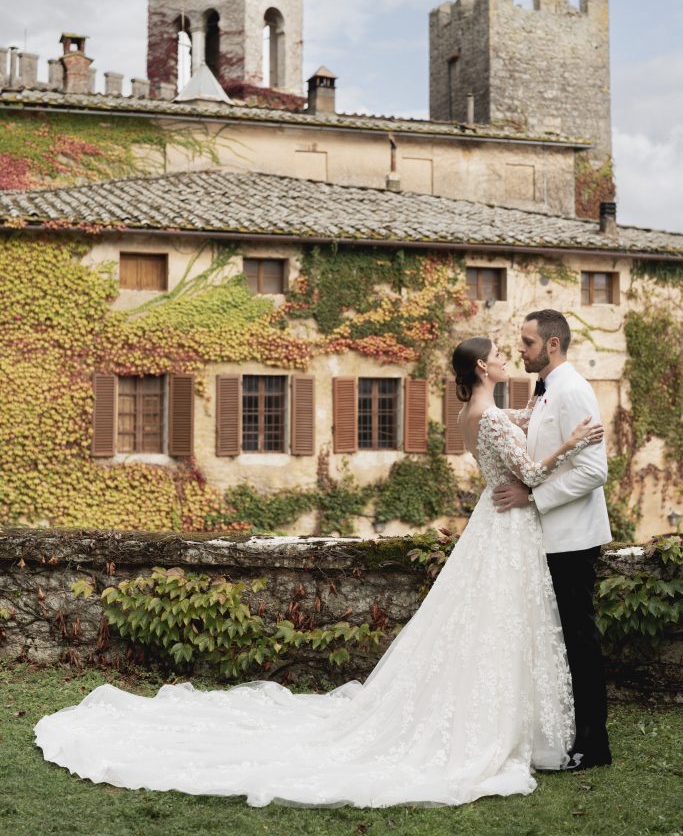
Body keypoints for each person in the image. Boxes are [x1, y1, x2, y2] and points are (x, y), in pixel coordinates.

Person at [34, 336, 604, 809]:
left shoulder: (472, 413)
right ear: (483, 366)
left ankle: (496, 717)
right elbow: (527, 468)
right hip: (507, 525)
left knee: (486, 624)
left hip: (490, 523)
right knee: (500, 622)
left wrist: (533, 415)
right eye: (501, 352)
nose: (508, 355)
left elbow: (507, 427)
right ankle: (495, 726)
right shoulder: (495, 417)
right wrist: (572, 441)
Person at [492, 310, 612, 771]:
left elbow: (593, 471)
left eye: (527, 343)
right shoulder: (544, 389)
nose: (521, 350)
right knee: (561, 640)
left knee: (580, 639)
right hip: (550, 537)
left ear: (553, 345)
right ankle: (568, 733)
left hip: (572, 537)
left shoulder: (574, 390)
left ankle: (593, 745)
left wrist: (532, 498)